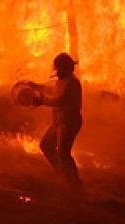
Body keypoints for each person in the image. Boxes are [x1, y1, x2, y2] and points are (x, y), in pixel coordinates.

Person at [28, 53, 83, 192]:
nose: (56, 71)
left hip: (69, 123)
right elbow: (52, 89)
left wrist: (41, 101)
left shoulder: (72, 83)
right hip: (59, 122)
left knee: (64, 153)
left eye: (58, 68)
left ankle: (75, 185)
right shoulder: (63, 80)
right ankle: (62, 174)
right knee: (46, 146)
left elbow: (60, 100)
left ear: (66, 68)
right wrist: (36, 86)